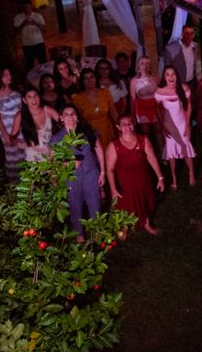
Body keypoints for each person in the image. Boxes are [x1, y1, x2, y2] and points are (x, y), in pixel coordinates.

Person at [51, 104, 105, 243]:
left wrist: (103, 172)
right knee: (75, 205)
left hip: (90, 173)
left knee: (95, 203)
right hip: (71, 177)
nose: (70, 116)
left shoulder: (87, 132)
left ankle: (96, 231)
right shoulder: (57, 139)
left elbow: (99, 150)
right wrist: (68, 164)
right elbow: (52, 162)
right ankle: (79, 233)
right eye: (66, 114)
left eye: (73, 113)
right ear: (62, 118)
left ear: (77, 117)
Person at [105, 114, 164, 235]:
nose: (127, 126)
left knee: (144, 201)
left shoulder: (144, 140)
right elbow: (109, 169)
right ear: (118, 127)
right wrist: (113, 189)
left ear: (134, 124)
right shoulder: (113, 145)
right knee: (125, 205)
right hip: (124, 183)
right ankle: (124, 228)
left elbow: (152, 158)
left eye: (129, 123)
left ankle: (146, 223)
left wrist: (160, 177)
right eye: (123, 124)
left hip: (142, 179)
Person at [154, 66, 196, 189]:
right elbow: (157, 110)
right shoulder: (160, 91)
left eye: (173, 74)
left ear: (176, 76)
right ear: (164, 77)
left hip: (182, 123)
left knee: (186, 148)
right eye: (167, 74)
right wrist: (163, 126)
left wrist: (188, 124)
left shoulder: (183, 88)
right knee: (171, 152)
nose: (171, 76)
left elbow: (189, 105)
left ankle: (191, 174)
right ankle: (174, 179)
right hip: (169, 125)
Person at [0, 67, 24, 180]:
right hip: (6, 128)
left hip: (20, 127)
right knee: (12, 156)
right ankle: (14, 184)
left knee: (23, 152)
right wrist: (5, 135)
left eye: (10, 74)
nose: (9, 77)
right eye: (6, 75)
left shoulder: (16, 92)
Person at [72, 69, 118, 150]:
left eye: (92, 77)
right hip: (90, 133)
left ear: (96, 78)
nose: (89, 80)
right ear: (82, 81)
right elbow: (78, 120)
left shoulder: (105, 92)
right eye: (86, 78)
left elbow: (113, 112)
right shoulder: (77, 98)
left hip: (106, 131)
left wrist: (120, 127)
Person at [14, 87, 59, 162]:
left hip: (51, 154)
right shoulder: (20, 115)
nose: (34, 99)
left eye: (36, 96)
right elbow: (11, 138)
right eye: (29, 97)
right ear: (24, 100)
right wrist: (19, 142)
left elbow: (63, 124)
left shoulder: (48, 110)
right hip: (32, 157)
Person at [13, 0, 46, 71]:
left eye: (28, 7)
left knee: (44, 64)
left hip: (39, 43)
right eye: (24, 7)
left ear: (31, 6)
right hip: (27, 45)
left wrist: (36, 23)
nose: (26, 9)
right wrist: (23, 24)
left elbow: (44, 29)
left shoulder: (38, 16)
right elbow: (16, 31)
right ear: (22, 8)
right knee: (29, 66)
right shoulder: (18, 17)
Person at [130, 56, 159, 136]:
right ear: (138, 66)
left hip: (155, 107)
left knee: (159, 131)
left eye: (147, 63)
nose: (145, 66)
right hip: (142, 109)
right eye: (142, 63)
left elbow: (161, 95)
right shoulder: (134, 81)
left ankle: (163, 148)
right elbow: (132, 99)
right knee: (145, 133)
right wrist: (133, 115)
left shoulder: (156, 78)